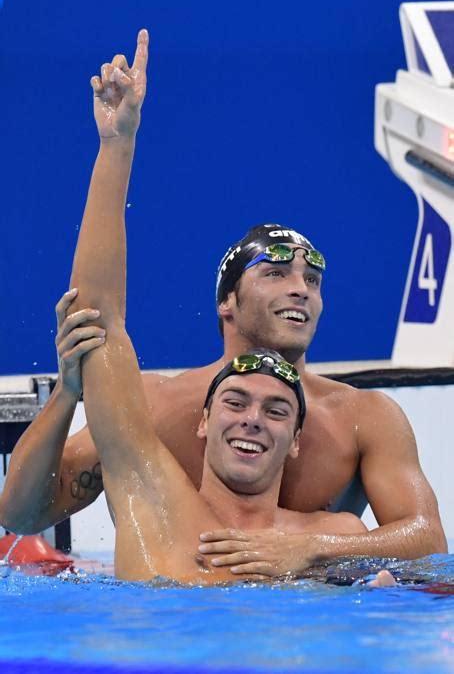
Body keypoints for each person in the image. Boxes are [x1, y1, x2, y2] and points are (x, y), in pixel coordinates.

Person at [0, 29, 446, 578]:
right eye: (277, 273)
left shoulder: (362, 425)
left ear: (298, 440)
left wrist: (313, 549)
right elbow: (21, 513)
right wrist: (69, 391)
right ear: (226, 303)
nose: (300, 288)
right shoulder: (159, 414)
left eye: (312, 279)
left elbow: (428, 545)